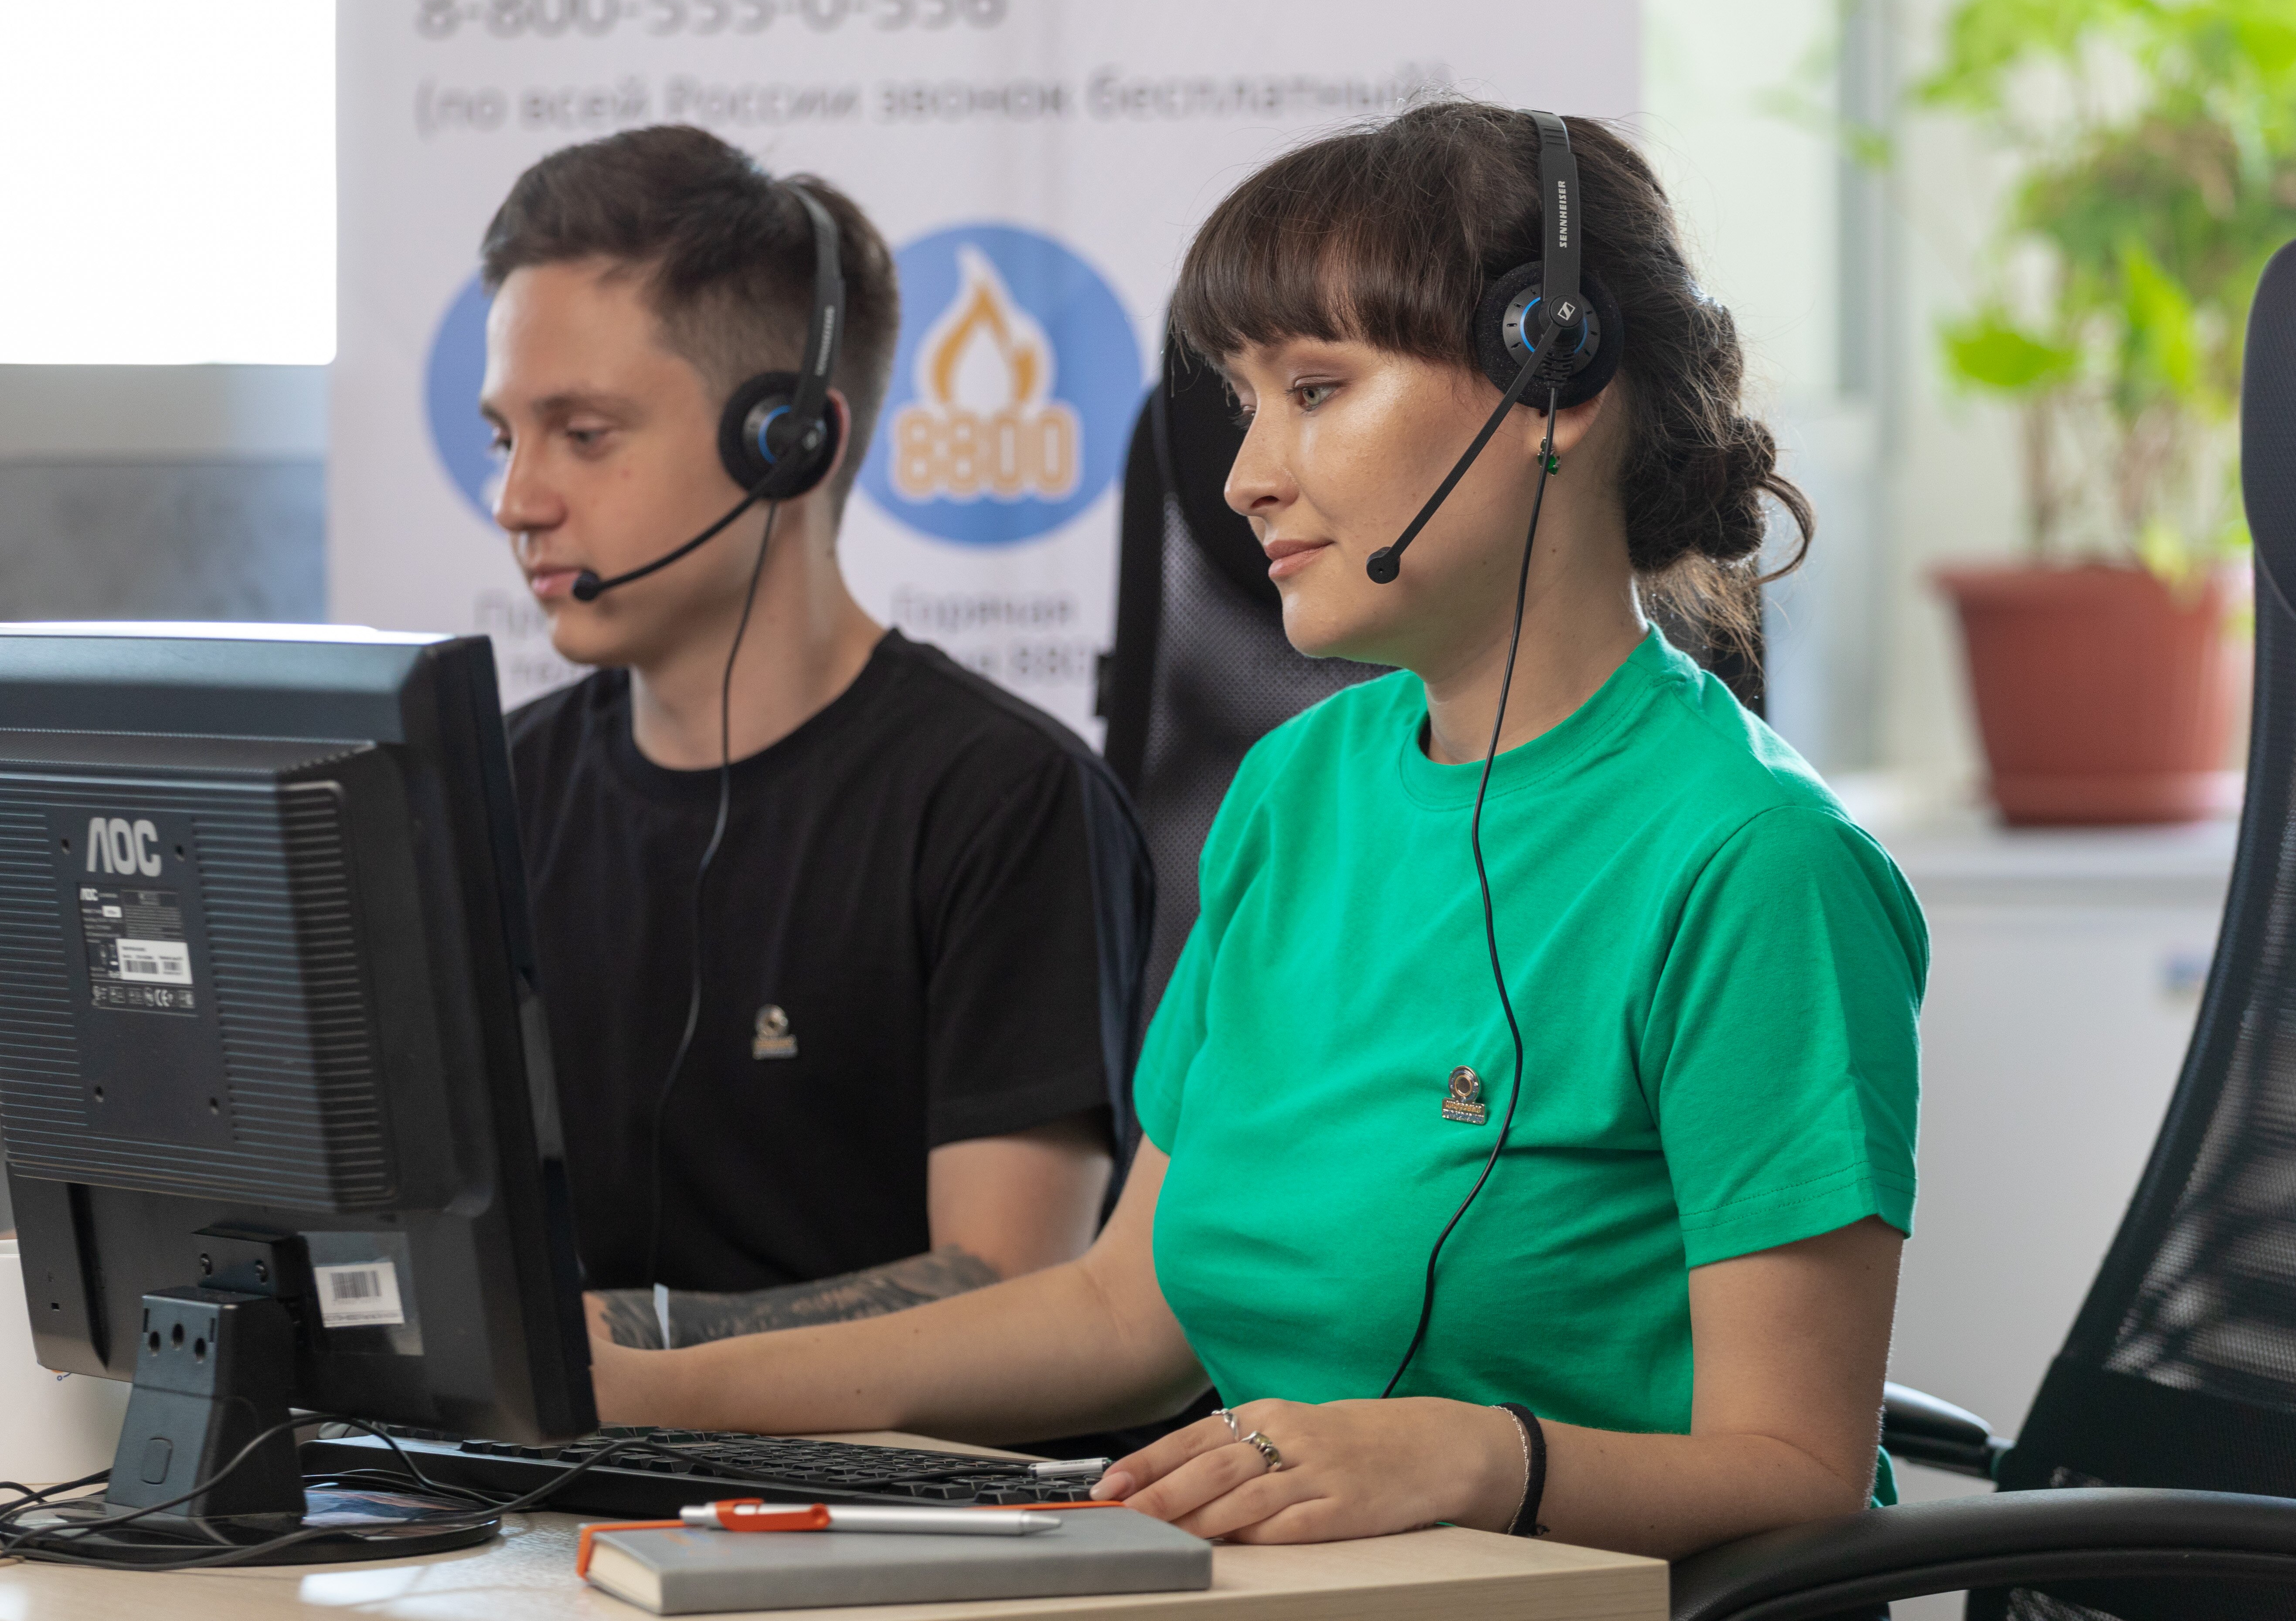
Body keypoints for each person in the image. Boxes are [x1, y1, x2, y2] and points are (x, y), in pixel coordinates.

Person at [586, 102, 1929, 1561]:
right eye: (1246, 403)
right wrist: (647, 1391)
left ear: (1554, 375)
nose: (1244, 478)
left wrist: (1479, 1456)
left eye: (1315, 389)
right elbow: (1125, 1313)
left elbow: (1799, 1472)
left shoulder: (1757, 864)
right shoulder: (1296, 790)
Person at [480, 126, 1150, 1349]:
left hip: (892, 1472)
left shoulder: (1005, 802)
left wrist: (621, 1350)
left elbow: (1008, 1287)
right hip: (542, 1462)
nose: (518, 500)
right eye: (503, 438)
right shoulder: (488, 791)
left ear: (787, 444)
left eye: (583, 434)